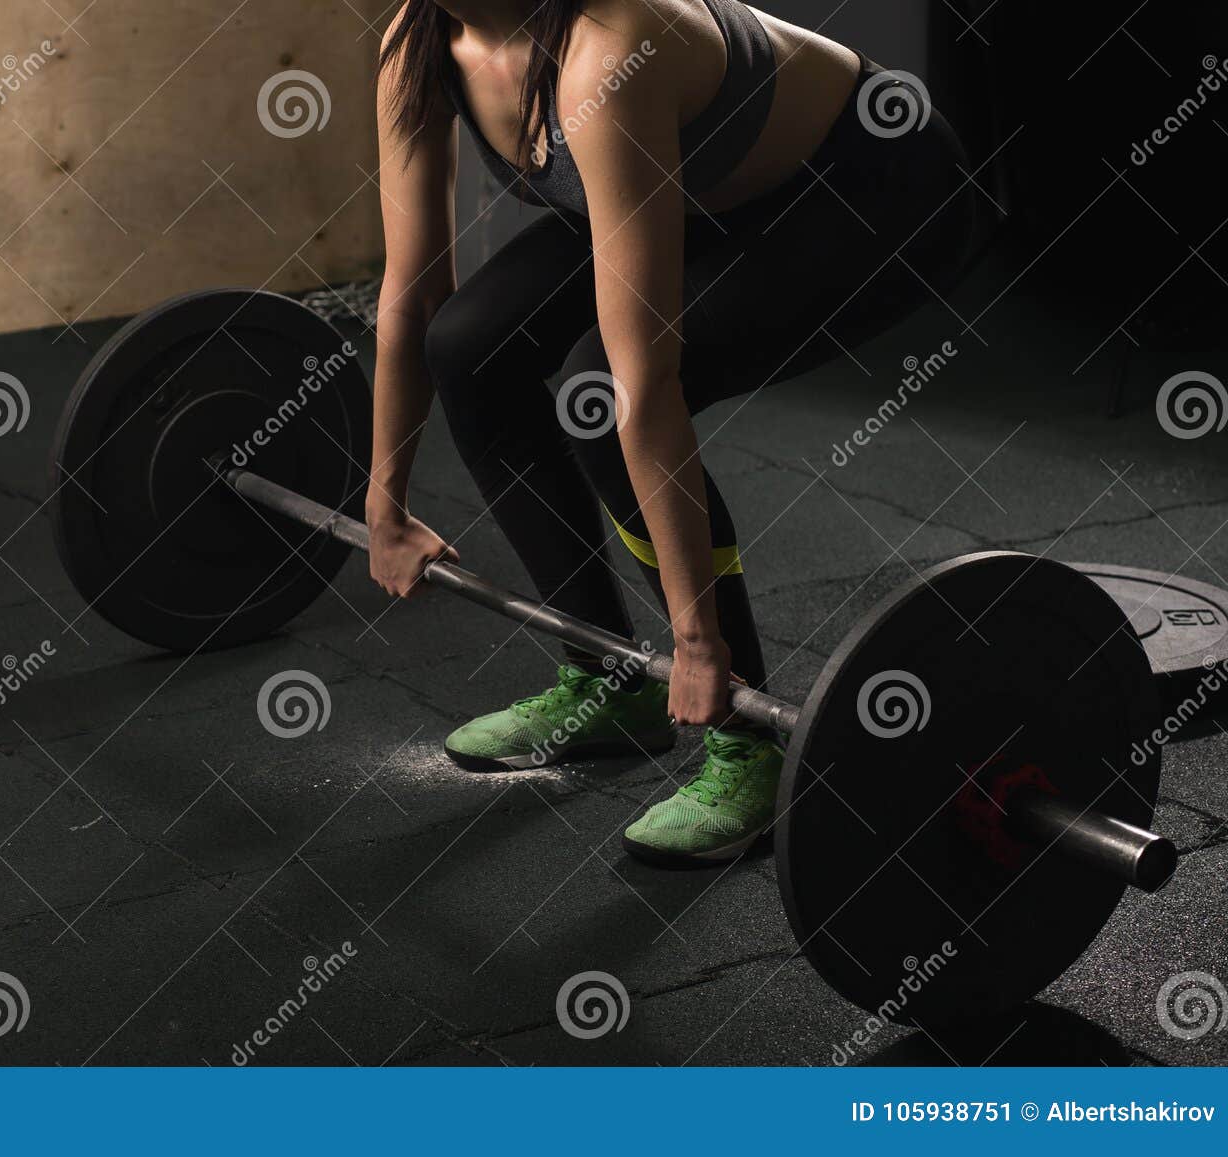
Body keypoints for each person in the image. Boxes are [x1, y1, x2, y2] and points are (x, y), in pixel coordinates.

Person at [365, 0, 977, 865]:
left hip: (871, 185)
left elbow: (639, 384)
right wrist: (383, 504)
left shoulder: (606, 49)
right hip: (705, 195)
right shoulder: (419, 41)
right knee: (469, 345)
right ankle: (606, 683)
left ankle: (745, 744)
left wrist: (697, 644)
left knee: (597, 390)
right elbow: (413, 293)